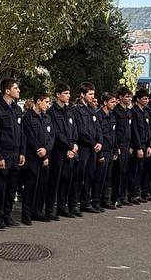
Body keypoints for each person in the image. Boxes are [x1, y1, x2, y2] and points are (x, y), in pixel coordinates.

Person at [0, 79, 25, 228]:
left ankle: (7, 215)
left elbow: (21, 132)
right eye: (16, 88)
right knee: (0, 188)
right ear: (7, 91)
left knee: (12, 188)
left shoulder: (18, 110)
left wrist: (22, 152)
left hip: (16, 154)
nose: (19, 91)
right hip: (3, 154)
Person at [20, 93, 55, 224]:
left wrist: (46, 150)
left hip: (45, 156)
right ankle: (26, 215)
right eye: (46, 102)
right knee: (31, 185)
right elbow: (29, 136)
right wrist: (39, 151)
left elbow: (52, 136)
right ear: (38, 102)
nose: (48, 104)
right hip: (32, 156)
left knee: (42, 184)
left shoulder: (47, 117)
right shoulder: (28, 117)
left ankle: (38, 212)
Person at [46, 84, 78, 219]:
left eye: (69, 93)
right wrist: (69, 146)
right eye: (65, 93)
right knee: (55, 180)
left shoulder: (69, 110)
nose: (68, 96)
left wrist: (74, 146)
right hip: (58, 151)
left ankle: (61, 206)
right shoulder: (52, 111)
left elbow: (74, 129)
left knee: (66, 179)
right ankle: (49, 209)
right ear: (58, 95)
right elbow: (56, 133)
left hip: (70, 151)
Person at [75, 84, 103, 212]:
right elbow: (81, 131)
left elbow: (98, 128)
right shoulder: (77, 110)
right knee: (79, 176)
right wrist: (93, 143)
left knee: (89, 175)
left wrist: (99, 142)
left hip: (93, 149)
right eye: (90, 94)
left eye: (93, 94)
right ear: (82, 94)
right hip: (83, 148)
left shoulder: (92, 109)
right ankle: (74, 203)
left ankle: (86, 202)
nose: (93, 97)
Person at [93, 93, 118, 210]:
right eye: (112, 102)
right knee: (99, 177)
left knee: (108, 177)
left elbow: (114, 134)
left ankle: (105, 199)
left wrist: (116, 150)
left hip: (111, 149)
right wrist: (100, 154)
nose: (114, 104)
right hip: (102, 150)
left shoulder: (112, 115)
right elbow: (99, 135)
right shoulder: (98, 115)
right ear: (105, 103)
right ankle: (96, 201)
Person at [112, 87, 133, 207]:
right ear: (120, 97)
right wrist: (117, 146)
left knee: (125, 171)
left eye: (130, 97)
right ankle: (116, 197)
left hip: (127, 145)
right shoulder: (116, 111)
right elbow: (115, 131)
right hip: (119, 145)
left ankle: (122, 196)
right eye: (127, 96)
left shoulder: (128, 111)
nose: (129, 99)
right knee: (118, 172)